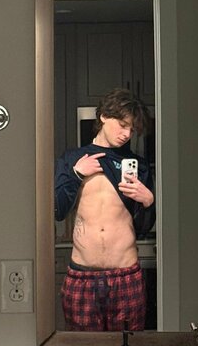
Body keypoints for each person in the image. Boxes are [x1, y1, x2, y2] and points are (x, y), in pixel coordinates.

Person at [54, 87, 155, 331]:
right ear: (103, 116)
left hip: (125, 275)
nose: (126, 134)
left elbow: (143, 227)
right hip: (82, 276)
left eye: (132, 130)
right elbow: (58, 210)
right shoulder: (73, 159)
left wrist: (148, 201)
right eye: (122, 125)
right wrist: (77, 174)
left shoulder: (137, 166)